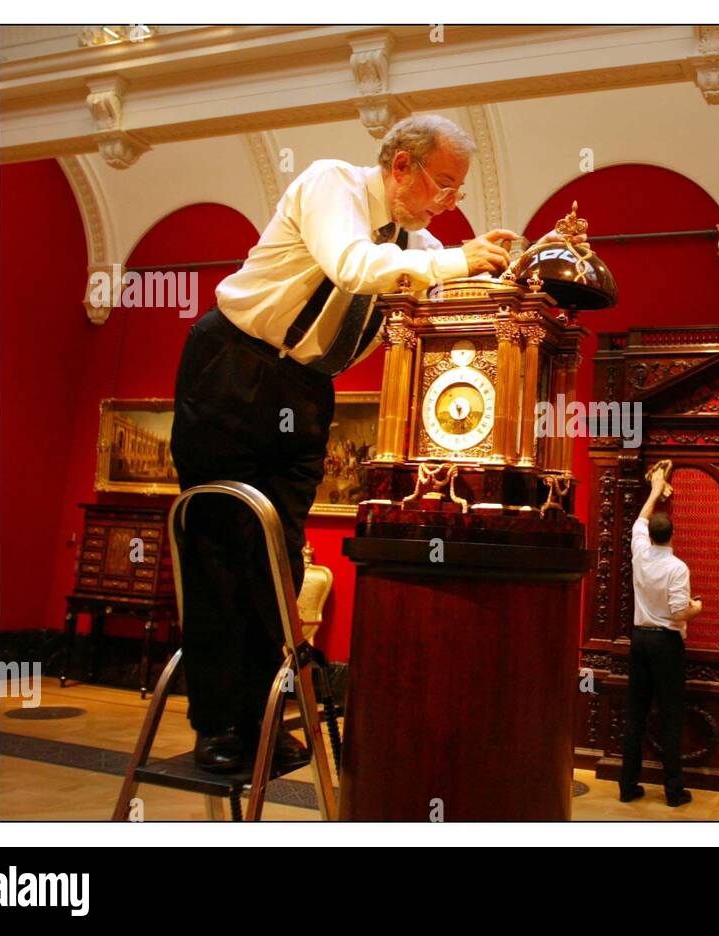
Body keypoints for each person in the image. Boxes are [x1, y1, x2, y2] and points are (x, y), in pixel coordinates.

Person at [171, 114, 520, 773]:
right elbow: (355, 267)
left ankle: (261, 721)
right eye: (444, 183)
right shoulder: (330, 182)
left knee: (279, 561)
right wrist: (452, 258)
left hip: (303, 388)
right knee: (223, 547)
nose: (452, 200)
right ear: (400, 167)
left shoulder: (410, 238)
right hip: (234, 367)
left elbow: (433, 276)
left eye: (458, 189)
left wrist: (500, 267)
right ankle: (218, 727)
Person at [619, 469, 703, 807]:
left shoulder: (640, 553)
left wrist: (654, 489)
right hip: (666, 644)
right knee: (669, 715)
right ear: (672, 536)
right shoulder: (677, 568)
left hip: (639, 640)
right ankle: (673, 790)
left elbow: (640, 520)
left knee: (635, 715)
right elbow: (679, 611)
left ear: (652, 536)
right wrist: (697, 607)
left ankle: (628, 786)